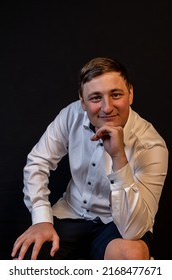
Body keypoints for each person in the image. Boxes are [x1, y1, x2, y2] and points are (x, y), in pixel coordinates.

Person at [11, 57, 168, 260]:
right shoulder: (71, 114)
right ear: (82, 102)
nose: (107, 107)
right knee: (26, 258)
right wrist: (41, 219)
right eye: (95, 98)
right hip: (70, 213)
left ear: (130, 94)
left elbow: (132, 230)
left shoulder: (151, 145)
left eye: (116, 94)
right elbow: (38, 162)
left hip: (117, 224)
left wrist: (118, 156)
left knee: (132, 255)